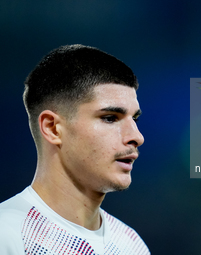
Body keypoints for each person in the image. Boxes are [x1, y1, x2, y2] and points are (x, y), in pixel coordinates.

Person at [0, 44, 150, 254]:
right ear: (53, 128)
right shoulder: (6, 236)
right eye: (110, 118)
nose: (137, 137)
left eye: (134, 119)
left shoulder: (131, 245)